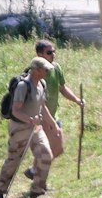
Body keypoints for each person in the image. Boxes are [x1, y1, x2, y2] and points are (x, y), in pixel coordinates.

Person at [0, 58, 54, 198]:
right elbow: (16, 110)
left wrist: (51, 123)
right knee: (14, 160)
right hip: (19, 128)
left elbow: (41, 106)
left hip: (35, 128)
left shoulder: (42, 84)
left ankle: (37, 188)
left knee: (46, 155)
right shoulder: (22, 86)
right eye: (45, 70)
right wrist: (30, 119)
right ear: (37, 70)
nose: (48, 72)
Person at [24, 40, 85, 179]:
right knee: (52, 149)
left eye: (54, 51)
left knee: (55, 149)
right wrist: (49, 121)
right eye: (49, 52)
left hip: (53, 113)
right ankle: (38, 176)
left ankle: (34, 170)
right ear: (39, 54)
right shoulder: (36, 73)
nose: (53, 55)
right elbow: (38, 101)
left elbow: (62, 88)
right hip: (40, 116)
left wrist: (76, 100)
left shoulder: (56, 68)